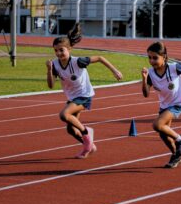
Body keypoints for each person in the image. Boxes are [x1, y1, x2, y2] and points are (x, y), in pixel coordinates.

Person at [46, 23, 123, 158]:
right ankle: (90, 146)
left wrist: (115, 71)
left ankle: (86, 133)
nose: (58, 53)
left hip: (84, 95)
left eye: (61, 50)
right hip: (72, 98)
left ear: (69, 48)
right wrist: (49, 70)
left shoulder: (78, 61)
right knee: (70, 129)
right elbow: (51, 85)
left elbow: (99, 58)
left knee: (64, 115)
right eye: (56, 50)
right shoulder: (55, 65)